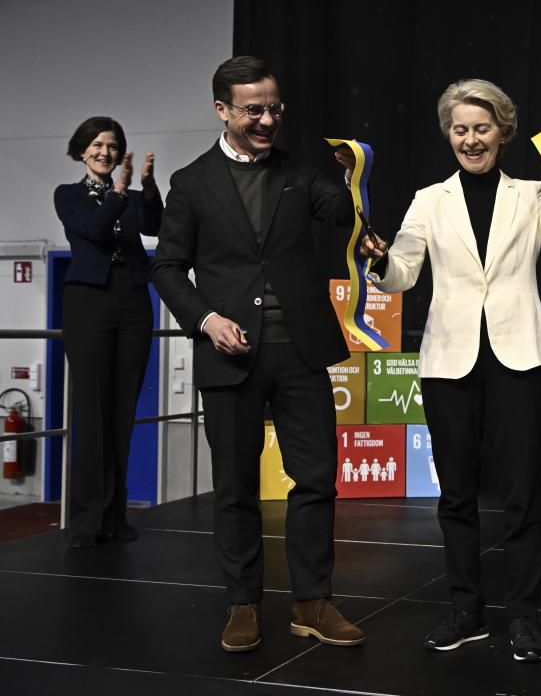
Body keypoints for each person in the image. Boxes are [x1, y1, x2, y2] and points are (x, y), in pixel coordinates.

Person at [361, 78, 541, 663]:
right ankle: (465, 609)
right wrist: (379, 259)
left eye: (482, 127)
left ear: (504, 132)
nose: (471, 139)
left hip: (519, 355)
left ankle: (524, 616)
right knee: (457, 496)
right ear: (448, 135)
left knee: (522, 496)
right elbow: (403, 273)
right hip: (450, 359)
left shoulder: (533, 195)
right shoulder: (428, 200)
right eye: (460, 129)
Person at [151, 56, 365, 653]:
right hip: (230, 357)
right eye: (254, 109)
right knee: (236, 486)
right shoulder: (191, 183)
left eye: (275, 107)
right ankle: (243, 604)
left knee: (318, 480)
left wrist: (353, 179)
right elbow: (166, 268)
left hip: (302, 349)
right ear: (222, 110)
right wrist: (205, 318)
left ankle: (312, 601)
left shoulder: (304, 171)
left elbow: (342, 217)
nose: (268, 119)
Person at [54, 117, 162, 549]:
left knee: (122, 412)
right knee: (93, 412)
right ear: (82, 151)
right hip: (88, 303)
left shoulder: (132, 197)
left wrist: (149, 187)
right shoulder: (68, 196)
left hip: (133, 301)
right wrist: (119, 195)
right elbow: (95, 229)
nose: (105, 151)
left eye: (112, 145)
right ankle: (87, 521)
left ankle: (116, 517)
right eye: (96, 145)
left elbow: (154, 225)